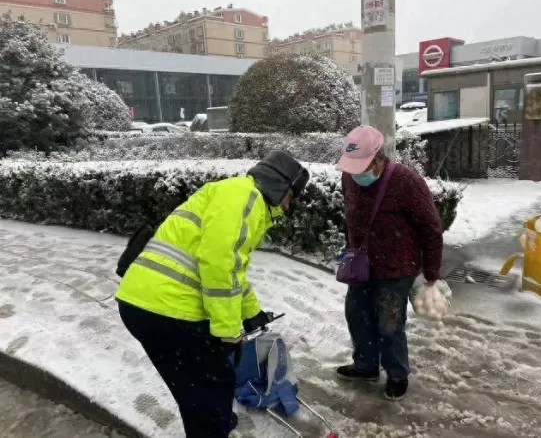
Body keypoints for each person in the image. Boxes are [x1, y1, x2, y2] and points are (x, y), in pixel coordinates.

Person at [115, 151, 309, 438]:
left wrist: (251, 313)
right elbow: (219, 265)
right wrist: (228, 332)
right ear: (282, 187)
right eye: (291, 196)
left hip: (140, 303)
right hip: (169, 308)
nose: (288, 205)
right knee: (214, 382)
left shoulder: (231, 191)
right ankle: (211, 425)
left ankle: (211, 421)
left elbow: (233, 270)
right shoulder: (248, 198)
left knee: (190, 383)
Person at [335, 125, 443, 400]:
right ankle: (366, 366)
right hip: (361, 265)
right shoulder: (348, 178)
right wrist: (350, 249)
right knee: (357, 315)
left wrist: (431, 274)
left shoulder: (406, 181)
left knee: (389, 324)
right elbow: (350, 215)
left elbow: (431, 228)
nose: (356, 173)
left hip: (396, 267)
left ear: (379, 158)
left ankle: (397, 374)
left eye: (362, 167)